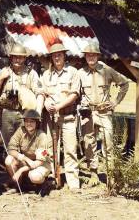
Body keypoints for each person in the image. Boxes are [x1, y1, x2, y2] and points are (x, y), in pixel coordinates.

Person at [77, 43, 129, 186]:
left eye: (93, 54)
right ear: (85, 57)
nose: (91, 57)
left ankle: (110, 175)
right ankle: (94, 174)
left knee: (108, 142)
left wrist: (115, 102)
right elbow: (75, 92)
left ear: (98, 56)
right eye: (88, 55)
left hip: (104, 112)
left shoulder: (106, 70)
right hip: (88, 113)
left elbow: (125, 83)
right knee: (89, 142)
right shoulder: (80, 73)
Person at [41, 43, 80, 190]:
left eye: (60, 54)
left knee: (70, 149)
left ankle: (72, 181)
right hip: (50, 118)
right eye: (54, 55)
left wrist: (59, 106)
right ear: (51, 57)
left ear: (64, 56)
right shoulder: (46, 74)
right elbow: (43, 94)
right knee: (50, 148)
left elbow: (74, 94)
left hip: (67, 116)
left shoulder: (72, 72)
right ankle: (52, 176)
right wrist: (46, 103)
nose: (57, 57)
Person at [0, 43, 44, 146]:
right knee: (6, 143)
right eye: (15, 57)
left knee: (24, 142)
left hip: (24, 114)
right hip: (6, 113)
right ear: (11, 58)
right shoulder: (5, 71)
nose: (17, 60)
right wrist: (1, 77)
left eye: (20, 57)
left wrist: (37, 113)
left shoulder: (31, 73)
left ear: (24, 58)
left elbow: (40, 93)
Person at [5, 109, 51, 193]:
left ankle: (42, 184)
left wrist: (20, 170)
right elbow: (10, 149)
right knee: (9, 160)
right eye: (26, 121)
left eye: (32, 121)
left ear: (37, 123)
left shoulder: (42, 136)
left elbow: (39, 162)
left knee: (35, 177)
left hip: (40, 164)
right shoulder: (21, 131)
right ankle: (18, 186)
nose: (28, 124)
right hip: (27, 161)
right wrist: (25, 158)